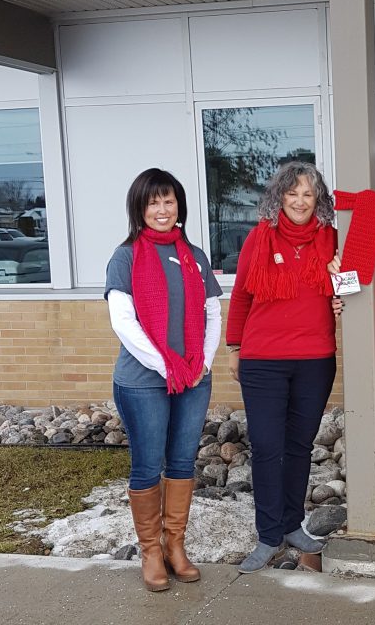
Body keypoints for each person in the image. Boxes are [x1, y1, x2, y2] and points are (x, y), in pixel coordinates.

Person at [105, 168, 222, 592]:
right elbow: (123, 323)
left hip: (193, 378)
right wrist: (168, 365)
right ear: (140, 208)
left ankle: (176, 545)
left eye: (168, 200)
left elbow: (212, 312)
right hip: (142, 381)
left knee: (181, 463)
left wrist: (202, 362)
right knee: (148, 466)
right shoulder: (126, 256)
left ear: (179, 206)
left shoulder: (194, 255)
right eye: (153, 202)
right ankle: (151, 550)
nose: (161, 209)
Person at [226, 161, 339, 573]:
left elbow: (349, 284)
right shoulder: (259, 238)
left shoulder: (331, 239)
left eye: (308, 193)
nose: (300, 201)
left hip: (314, 360)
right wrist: (234, 347)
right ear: (280, 196)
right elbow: (240, 297)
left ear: (318, 199)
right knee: (268, 448)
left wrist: (341, 300)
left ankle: (292, 524)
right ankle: (269, 534)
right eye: (292, 193)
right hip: (263, 361)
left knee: (298, 447)